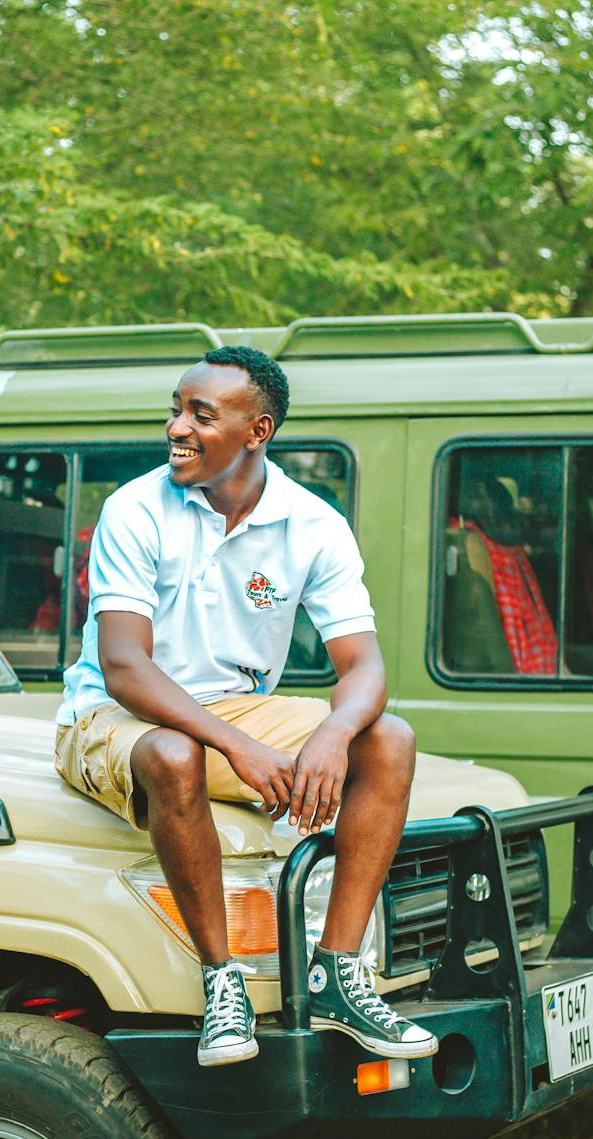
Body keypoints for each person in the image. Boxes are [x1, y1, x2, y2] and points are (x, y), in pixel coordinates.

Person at [53, 345, 436, 1067]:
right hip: (111, 714)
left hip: (232, 708)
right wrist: (240, 745)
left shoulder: (312, 525)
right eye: (174, 409)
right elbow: (125, 665)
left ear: (256, 432)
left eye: (201, 414)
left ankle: (338, 974)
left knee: (388, 739)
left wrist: (333, 732)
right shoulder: (135, 508)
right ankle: (221, 982)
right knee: (175, 754)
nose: (176, 427)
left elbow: (364, 666)